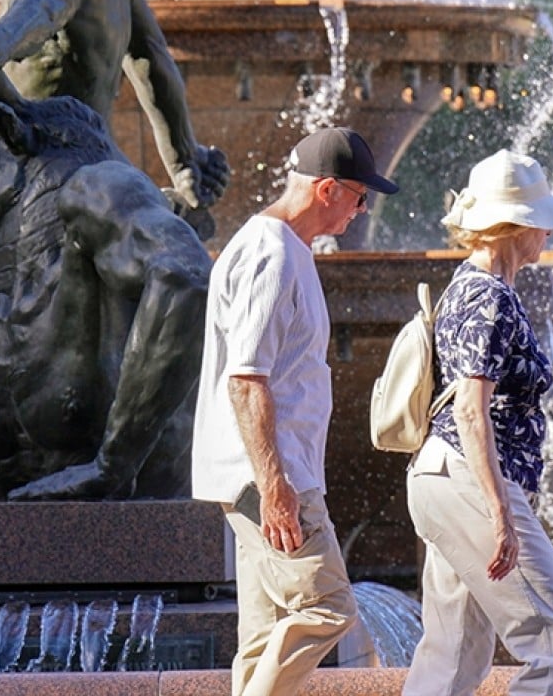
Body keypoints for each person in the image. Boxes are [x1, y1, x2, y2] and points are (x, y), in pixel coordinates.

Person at [191, 127, 398, 695]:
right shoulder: (272, 254)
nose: (362, 209)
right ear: (328, 189)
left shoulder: (278, 247)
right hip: (271, 478)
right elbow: (247, 379)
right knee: (330, 608)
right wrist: (276, 485)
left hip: (255, 475)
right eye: (360, 196)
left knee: (262, 638)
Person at [403, 150, 553, 695]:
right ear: (518, 225)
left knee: (455, 650)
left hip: (442, 478)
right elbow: (469, 408)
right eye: (544, 222)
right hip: (469, 480)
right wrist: (499, 512)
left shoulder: (471, 285)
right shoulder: (489, 296)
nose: (549, 234)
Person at [0, 0, 229, 234]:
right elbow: (157, 69)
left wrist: (1, 40)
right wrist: (184, 161)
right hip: (100, 161)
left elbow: (44, 4)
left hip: (38, 172)